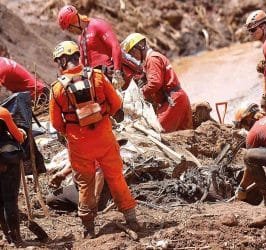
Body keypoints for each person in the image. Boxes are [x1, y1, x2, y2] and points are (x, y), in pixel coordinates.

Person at [49, 41, 139, 239]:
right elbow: (116, 104)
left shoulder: (57, 89)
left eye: (58, 62)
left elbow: (56, 124)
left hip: (79, 144)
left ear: (63, 61)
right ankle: (132, 219)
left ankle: (89, 229)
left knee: (85, 185)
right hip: (104, 137)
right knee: (116, 178)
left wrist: (73, 131)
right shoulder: (97, 76)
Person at [120, 33, 193, 132]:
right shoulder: (155, 57)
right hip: (178, 98)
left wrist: (141, 93)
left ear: (137, 49)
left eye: (132, 54)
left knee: (158, 131)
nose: (134, 58)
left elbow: (155, 83)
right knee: (185, 134)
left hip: (172, 101)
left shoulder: (152, 59)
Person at [57, 5, 124, 89]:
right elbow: (82, 63)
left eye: (70, 29)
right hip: (94, 81)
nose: (71, 32)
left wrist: (117, 72)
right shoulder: (80, 38)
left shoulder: (97, 25)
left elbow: (115, 46)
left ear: (74, 21)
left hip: (110, 75)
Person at [0, 107, 27, 245]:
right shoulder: (2, 113)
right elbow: (19, 137)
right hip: (6, 161)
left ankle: (7, 237)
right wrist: (22, 132)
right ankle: (17, 240)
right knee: (10, 201)